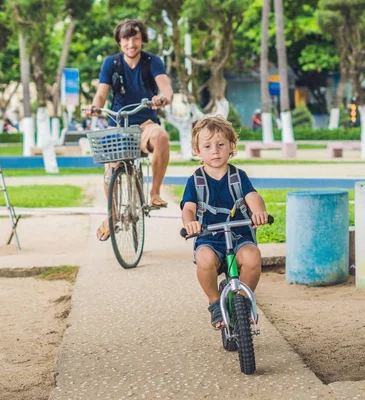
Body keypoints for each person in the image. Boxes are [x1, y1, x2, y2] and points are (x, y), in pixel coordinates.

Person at [86, 18, 174, 241]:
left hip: (144, 123)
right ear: (119, 42)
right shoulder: (111, 63)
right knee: (111, 170)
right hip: (118, 125)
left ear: (142, 40)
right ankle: (112, 215)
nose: (131, 44)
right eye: (126, 39)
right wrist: (95, 107)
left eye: (135, 38)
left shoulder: (153, 62)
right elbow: (101, 94)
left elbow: (166, 88)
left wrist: (163, 99)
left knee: (161, 136)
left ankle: (154, 193)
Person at [180, 117, 269, 330]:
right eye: (207, 146)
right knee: (204, 259)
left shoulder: (239, 177)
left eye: (221, 145)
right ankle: (214, 301)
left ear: (231, 147)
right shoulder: (196, 180)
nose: (215, 151)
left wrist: (258, 212)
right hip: (210, 238)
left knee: (252, 257)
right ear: (196, 151)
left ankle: (243, 299)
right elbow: (188, 208)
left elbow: (252, 196)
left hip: (239, 237)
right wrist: (190, 223)